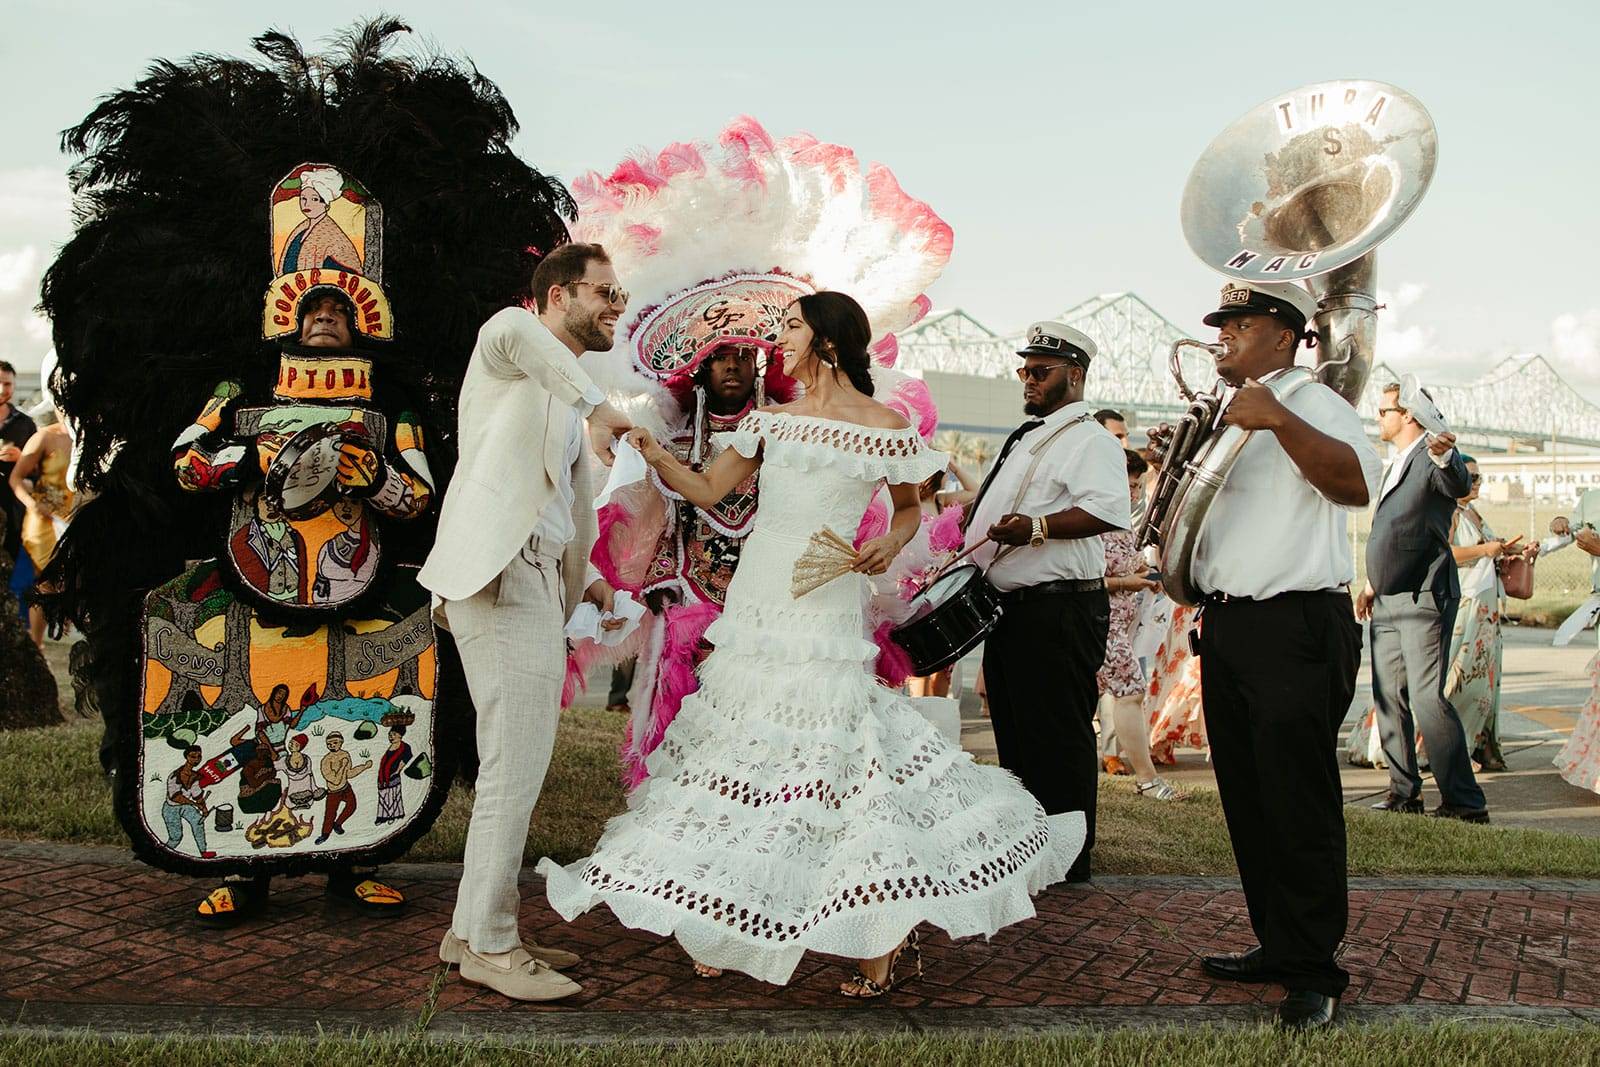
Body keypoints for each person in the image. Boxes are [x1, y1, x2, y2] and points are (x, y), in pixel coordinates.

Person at [541, 291, 1083, 996]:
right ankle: (719, 920)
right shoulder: (772, 421)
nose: (780, 341)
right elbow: (706, 489)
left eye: (792, 329)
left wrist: (887, 541)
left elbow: (913, 505)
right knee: (740, 753)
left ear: (825, 341)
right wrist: (650, 453)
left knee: (833, 756)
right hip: (759, 600)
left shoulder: (886, 426)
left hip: (825, 604)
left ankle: (874, 937)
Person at [419, 242, 633, 1003]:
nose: (618, 304)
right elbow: (518, 335)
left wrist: (597, 582)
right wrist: (599, 406)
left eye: (621, 294)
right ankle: (493, 945)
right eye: (605, 291)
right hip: (500, 578)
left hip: (538, 577)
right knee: (514, 763)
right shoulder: (509, 338)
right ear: (557, 293)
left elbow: (551, 504)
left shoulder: (563, 391)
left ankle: (469, 929)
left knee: (518, 763)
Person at [1176, 281, 1380, 1031]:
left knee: (1299, 801)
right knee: (1250, 798)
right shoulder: (1231, 415)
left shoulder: (1317, 402)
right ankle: (1278, 942)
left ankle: (1312, 968)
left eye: (1240, 321)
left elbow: (1356, 485)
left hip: (1294, 623)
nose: (1223, 333)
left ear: (1286, 336)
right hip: (1230, 625)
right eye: (1221, 323)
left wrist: (1279, 418)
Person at [961, 321, 1131, 883]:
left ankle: (1067, 859)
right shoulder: (1032, 435)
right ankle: (1030, 846)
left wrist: (1033, 526)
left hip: (1058, 608)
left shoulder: (1091, 439)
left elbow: (1108, 510)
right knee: (1016, 733)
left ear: (1075, 375)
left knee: (1056, 736)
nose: (1028, 380)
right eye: (1024, 370)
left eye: (1041, 371)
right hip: (1014, 607)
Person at [1355, 383, 1485, 822]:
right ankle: (1403, 791)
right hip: (1387, 597)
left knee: (1427, 698)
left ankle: (1465, 803)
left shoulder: (1430, 459)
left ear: (1409, 415)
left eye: (1384, 410)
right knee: (1388, 696)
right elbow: (1391, 530)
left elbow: (1457, 483)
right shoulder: (1394, 464)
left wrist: (1447, 456)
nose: (1378, 417)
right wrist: (1373, 583)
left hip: (1424, 595)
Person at [1347, 454, 1521, 772]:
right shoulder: (1450, 512)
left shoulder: (1473, 514)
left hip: (1481, 608)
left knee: (1474, 686)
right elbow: (1448, 552)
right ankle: (1434, 751)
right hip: (1462, 605)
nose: (1476, 483)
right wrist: (1485, 550)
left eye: (1479, 477)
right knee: (1445, 684)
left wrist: (1505, 551)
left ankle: (1468, 745)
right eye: (1471, 477)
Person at [1098, 448, 1180, 800]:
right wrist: (1125, 583)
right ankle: (1146, 777)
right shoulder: (1094, 521)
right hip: (1102, 623)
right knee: (1130, 692)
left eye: (1137, 486)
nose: (1134, 492)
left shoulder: (1118, 520)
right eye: (1130, 484)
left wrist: (1145, 575)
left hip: (1122, 625)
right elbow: (1081, 579)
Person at [9, 411, 75, 648]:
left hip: (76, 516)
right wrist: (33, 505)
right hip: (44, 519)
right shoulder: (44, 437)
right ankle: (36, 646)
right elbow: (16, 479)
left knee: (68, 581)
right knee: (43, 581)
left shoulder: (91, 437)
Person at [0, 361, 38, 626]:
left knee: (13, 571)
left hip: (14, 511)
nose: (2, 388)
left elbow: (40, 472)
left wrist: (22, 458)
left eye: (8, 383)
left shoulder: (25, 424)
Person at [315, 732, 369, 843]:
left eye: (335, 742)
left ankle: (338, 824)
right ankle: (325, 835)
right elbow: (335, 780)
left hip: (345, 787)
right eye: (329, 743)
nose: (332, 745)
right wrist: (343, 766)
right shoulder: (326, 760)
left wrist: (364, 767)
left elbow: (349, 773)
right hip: (333, 791)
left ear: (341, 742)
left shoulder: (345, 755)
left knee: (352, 805)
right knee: (330, 813)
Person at [163, 747, 215, 858]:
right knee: (176, 836)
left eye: (199, 757)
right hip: (171, 808)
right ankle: (162, 853)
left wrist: (204, 808)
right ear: (186, 757)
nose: (196, 759)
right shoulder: (175, 776)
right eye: (193, 756)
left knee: (198, 822)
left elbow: (197, 795)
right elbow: (175, 797)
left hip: (186, 806)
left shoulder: (194, 777)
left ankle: (203, 852)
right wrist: (194, 804)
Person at [374, 725, 412, 825]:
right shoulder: (391, 747)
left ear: (400, 735)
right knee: (383, 797)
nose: (391, 737)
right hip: (383, 778)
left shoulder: (404, 747)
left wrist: (397, 771)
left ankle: (393, 815)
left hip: (393, 777)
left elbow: (406, 758)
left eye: (394, 734)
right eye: (390, 735)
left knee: (393, 797)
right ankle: (382, 816)